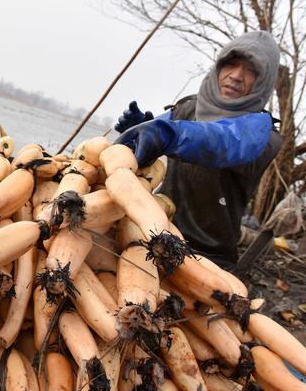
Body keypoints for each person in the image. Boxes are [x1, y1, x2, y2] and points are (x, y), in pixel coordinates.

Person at [114, 31, 282, 269]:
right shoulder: (188, 107)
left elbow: (222, 142)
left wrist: (168, 134)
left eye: (251, 71)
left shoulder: (263, 135)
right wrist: (140, 127)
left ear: (264, 81)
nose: (236, 76)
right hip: (156, 232)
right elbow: (158, 134)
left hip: (208, 256)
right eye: (231, 64)